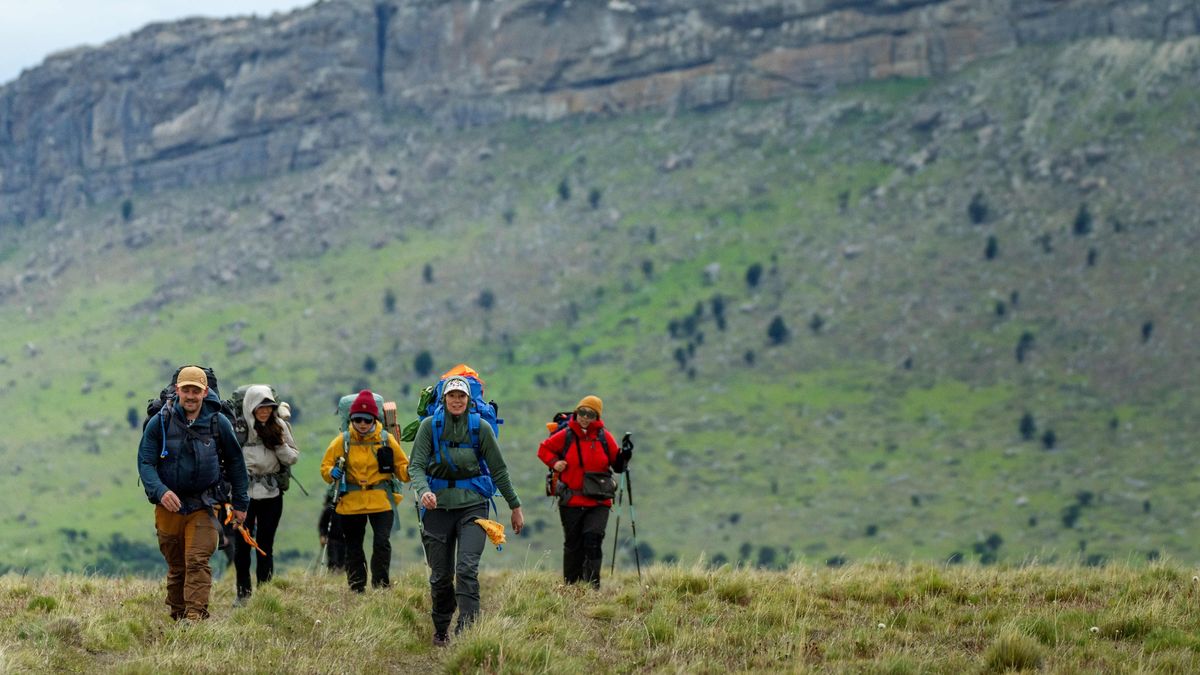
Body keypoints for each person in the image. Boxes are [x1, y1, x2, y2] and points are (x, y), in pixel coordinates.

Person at [409, 375, 524, 647]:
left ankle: (468, 632)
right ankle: (440, 629)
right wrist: (424, 490)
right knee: (440, 575)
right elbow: (416, 466)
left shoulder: (481, 428)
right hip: (436, 507)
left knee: (467, 569)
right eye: (452, 396)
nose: (457, 400)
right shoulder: (429, 427)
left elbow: (499, 470)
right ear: (444, 399)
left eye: (462, 396)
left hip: (473, 506)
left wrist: (515, 505)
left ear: (469, 400)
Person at [136, 366, 249, 622]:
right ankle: (178, 615)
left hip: (205, 504)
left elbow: (235, 463)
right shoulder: (160, 421)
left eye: (195, 390)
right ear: (177, 390)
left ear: (204, 392)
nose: (190, 395)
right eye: (185, 389)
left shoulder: (218, 422)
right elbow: (145, 461)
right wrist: (160, 491)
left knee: (197, 561)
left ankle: (195, 616)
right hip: (169, 506)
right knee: (177, 567)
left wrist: (241, 502)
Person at [320, 389, 410, 592]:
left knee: (381, 543)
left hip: (380, 500)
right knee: (353, 546)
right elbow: (325, 468)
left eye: (367, 419)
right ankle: (357, 587)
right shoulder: (342, 441)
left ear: (374, 419)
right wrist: (331, 472)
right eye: (358, 419)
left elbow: (402, 469)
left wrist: (412, 469)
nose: (362, 423)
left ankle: (380, 585)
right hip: (351, 502)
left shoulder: (386, 439)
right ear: (351, 419)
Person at [538, 395, 630, 588]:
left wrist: (625, 455)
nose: (585, 417)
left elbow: (618, 465)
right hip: (571, 500)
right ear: (577, 412)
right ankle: (571, 587)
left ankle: (592, 587)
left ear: (597, 417)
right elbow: (543, 450)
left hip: (598, 501)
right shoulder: (567, 435)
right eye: (582, 412)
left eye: (590, 414)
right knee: (573, 544)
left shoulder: (605, 436)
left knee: (593, 540)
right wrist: (555, 463)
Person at [233, 385, 299, 605]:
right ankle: (243, 593)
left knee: (265, 544)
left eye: (269, 406)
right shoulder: (239, 428)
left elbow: (292, 457)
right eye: (260, 406)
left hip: (271, 494)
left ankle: (264, 593)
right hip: (244, 495)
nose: (264, 411)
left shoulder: (279, 426)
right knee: (242, 545)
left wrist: (277, 443)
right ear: (250, 406)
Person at [318, 491, 347, 572]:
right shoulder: (329, 509)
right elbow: (322, 524)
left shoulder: (346, 508)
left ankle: (340, 578)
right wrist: (322, 536)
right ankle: (332, 576)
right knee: (333, 560)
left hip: (344, 539)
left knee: (344, 561)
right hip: (331, 539)